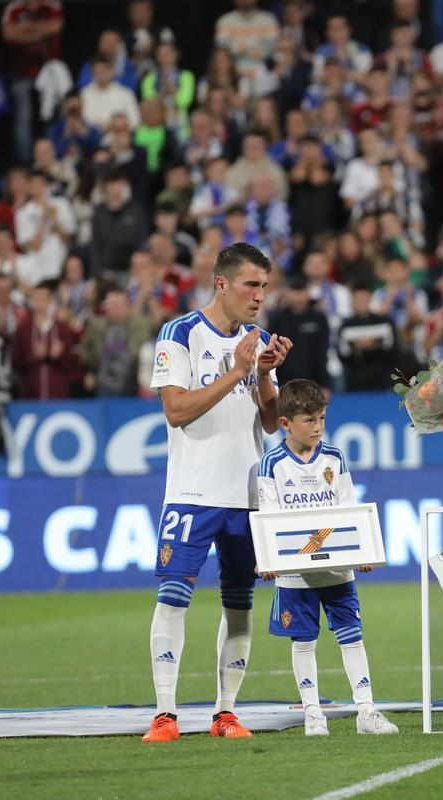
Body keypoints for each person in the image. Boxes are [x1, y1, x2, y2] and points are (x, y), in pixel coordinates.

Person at [142, 242, 293, 743]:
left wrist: (266, 373)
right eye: (252, 285)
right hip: (192, 491)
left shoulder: (259, 340)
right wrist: (237, 370)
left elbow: (273, 424)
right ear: (222, 283)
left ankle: (226, 713)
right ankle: (165, 715)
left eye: (265, 287)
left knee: (239, 603)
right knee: (173, 597)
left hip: (248, 494)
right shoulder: (180, 333)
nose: (259, 296)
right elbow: (177, 412)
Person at [257, 379, 398, 736]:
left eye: (321, 418)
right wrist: (267, 558)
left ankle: (366, 710)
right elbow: (268, 517)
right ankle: (312, 713)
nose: (318, 427)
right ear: (286, 423)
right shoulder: (272, 464)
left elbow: (348, 508)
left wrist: (362, 549)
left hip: (336, 568)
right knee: (303, 641)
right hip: (294, 572)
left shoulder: (334, 458)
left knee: (352, 635)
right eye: (309, 420)